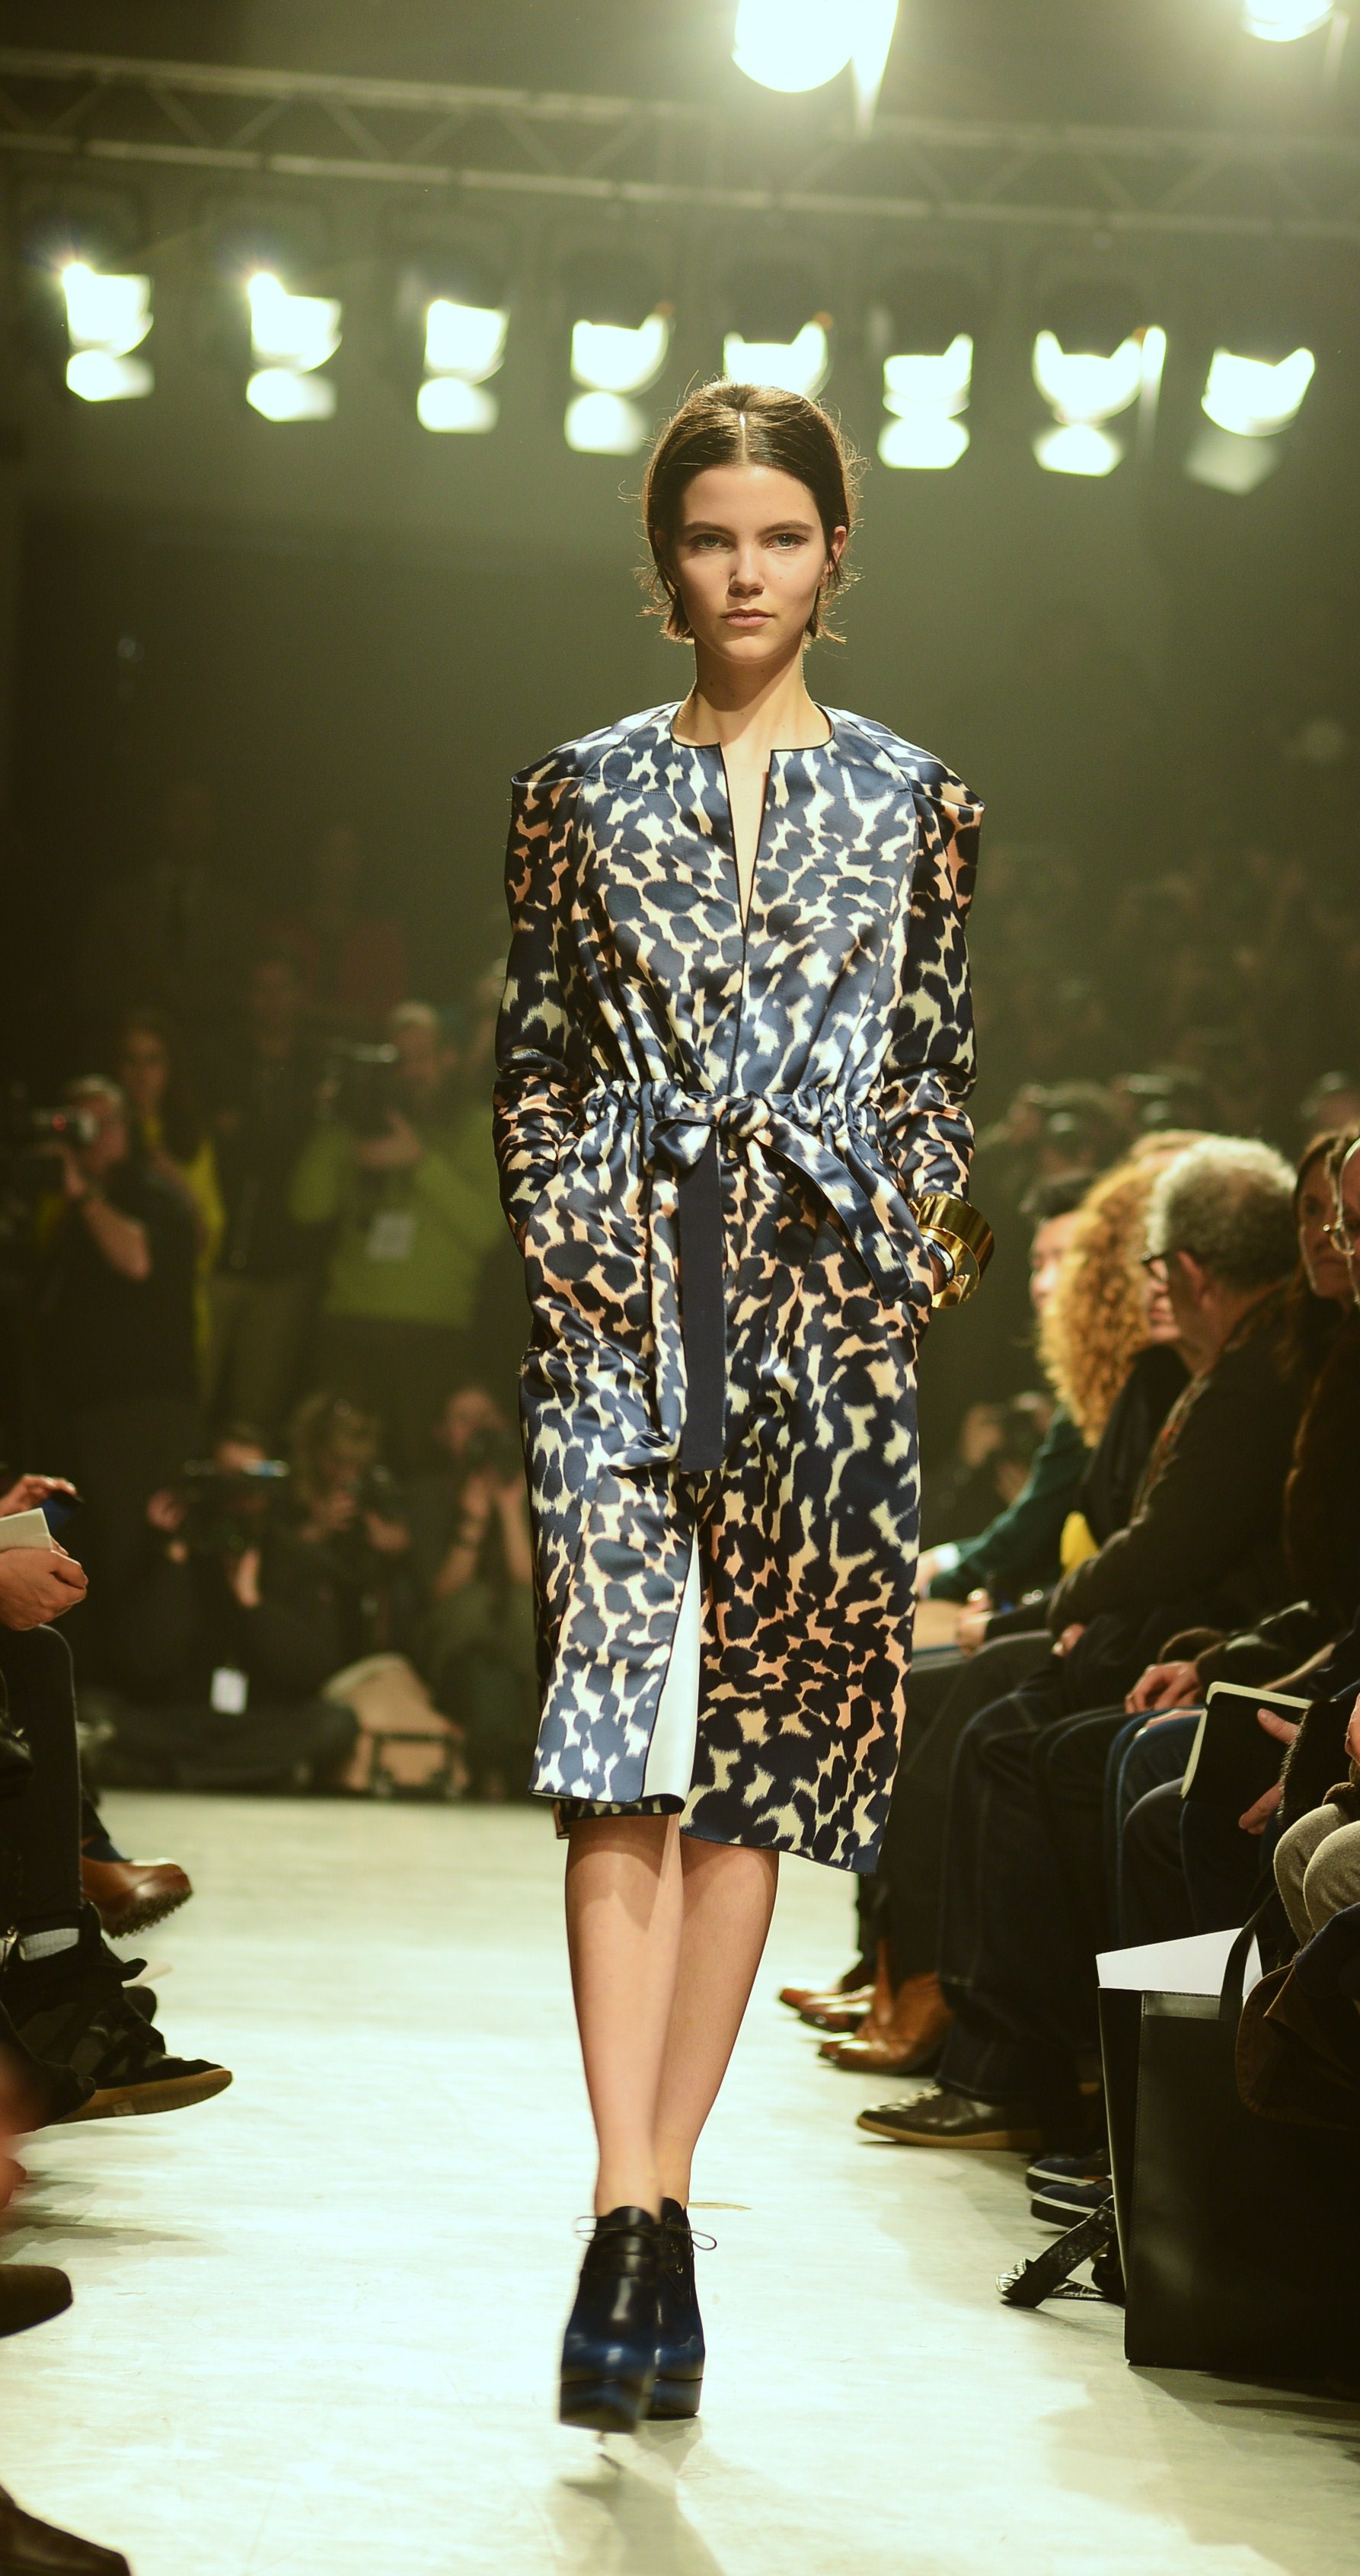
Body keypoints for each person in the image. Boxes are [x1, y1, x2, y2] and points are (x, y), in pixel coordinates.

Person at [494, 379, 991, 2430]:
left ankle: (665, 2210)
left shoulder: (922, 801)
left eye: (780, 535)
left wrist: (903, 1266)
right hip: (624, 1312)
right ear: (665, 557)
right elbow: (533, 1059)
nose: (746, 571)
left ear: (834, 552)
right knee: (615, 1742)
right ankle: (621, 2197)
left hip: (828, 1322)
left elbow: (938, 1072)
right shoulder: (574, 792)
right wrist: (577, 1256)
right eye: (711, 536)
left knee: (759, 1763)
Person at [860, 1134, 1309, 2150]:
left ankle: (1085, 2095)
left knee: (1040, 1740)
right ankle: (990, 2037)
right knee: (1009, 1715)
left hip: (1232, 1652)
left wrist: (1050, 1616)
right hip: (1204, 1642)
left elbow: (1163, 1547)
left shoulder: (1253, 1375)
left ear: (1185, 1271)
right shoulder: (1221, 1368)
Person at [292, 1002, 503, 1474]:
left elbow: (487, 1230)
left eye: (421, 1058)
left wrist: (419, 1161)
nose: (411, 1072)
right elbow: (307, 1207)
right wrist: (333, 1123)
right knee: (337, 1465)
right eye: (398, 1060)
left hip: (431, 1334)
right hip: (349, 1324)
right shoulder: (356, 1127)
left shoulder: (477, 1129)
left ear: (449, 1058)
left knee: (420, 1469)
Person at [35, 1076, 200, 1637]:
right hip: (81, 1412)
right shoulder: (68, 1201)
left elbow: (136, 1260)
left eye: (98, 1124)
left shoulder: (151, 1194)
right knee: (85, 1552)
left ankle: (148, 1670)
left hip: (141, 1412)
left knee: (136, 1554)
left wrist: (81, 1194)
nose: (85, 1137)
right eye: (74, 1123)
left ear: (127, 1129)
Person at [207, 949, 326, 1443]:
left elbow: (311, 1156)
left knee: (256, 1410)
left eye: (282, 987)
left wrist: (253, 1132)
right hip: (215, 1256)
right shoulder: (222, 1061)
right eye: (262, 988)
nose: (272, 1000)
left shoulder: (319, 1066)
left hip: (285, 1264)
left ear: (300, 994)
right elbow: (222, 1147)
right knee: (191, 1390)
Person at [407, 1385, 538, 1799]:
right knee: (472, 1605)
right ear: (442, 1433)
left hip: (516, 1639)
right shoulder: (428, 1496)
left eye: (485, 1418)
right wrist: (474, 1518)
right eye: (464, 1420)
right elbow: (441, 1593)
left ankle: (525, 1758)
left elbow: (532, 1588)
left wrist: (508, 1509)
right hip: (451, 1638)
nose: (478, 1429)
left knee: (525, 1611)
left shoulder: (536, 1489)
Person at [116, 1005, 224, 1374]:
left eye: (153, 1061)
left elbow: (206, 1241)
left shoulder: (189, 1141)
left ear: (170, 1068)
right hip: (111, 1314)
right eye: (131, 1060)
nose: (141, 1074)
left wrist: (174, 1182)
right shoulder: (98, 1137)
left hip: (173, 1316)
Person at [266, 820, 407, 1039]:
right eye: (330, 852)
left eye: (347, 854)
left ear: (360, 862)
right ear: (314, 859)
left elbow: (392, 1011)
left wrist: (309, 1012)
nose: (337, 865)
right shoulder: (282, 932)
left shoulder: (382, 936)